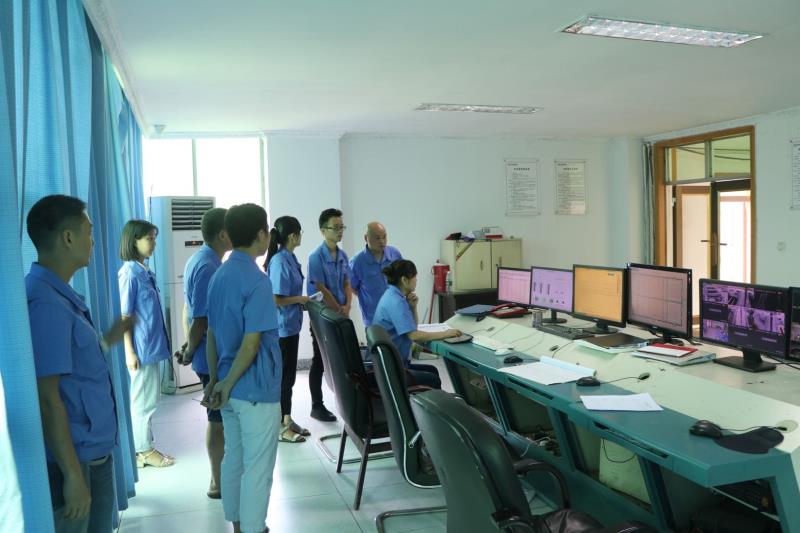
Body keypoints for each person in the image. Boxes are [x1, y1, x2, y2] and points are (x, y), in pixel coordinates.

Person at [25, 195, 132, 532]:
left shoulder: (59, 297)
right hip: (75, 461)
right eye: (89, 232)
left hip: (91, 452)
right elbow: (46, 396)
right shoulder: (47, 303)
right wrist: (72, 476)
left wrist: (106, 340)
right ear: (68, 237)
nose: (93, 241)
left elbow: (71, 365)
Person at [205, 203, 282, 533]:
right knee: (257, 468)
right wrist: (226, 382)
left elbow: (211, 334)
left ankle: (238, 526)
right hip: (254, 389)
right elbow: (251, 345)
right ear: (262, 234)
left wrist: (216, 380)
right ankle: (253, 529)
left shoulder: (219, 276)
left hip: (229, 387)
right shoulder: (258, 281)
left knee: (234, 458)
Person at [175, 207, 231, 498]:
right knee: (217, 420)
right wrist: (190, 349)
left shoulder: (202, 259)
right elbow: (200, 318)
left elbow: (189, 310)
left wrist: (188, 346)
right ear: (222, 234)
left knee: (218, 417)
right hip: (211, 357)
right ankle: (217, 482)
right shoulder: (208, 266)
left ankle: (220, 477)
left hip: (208, 352)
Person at [118, 219, 173, 468]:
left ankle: (145, 446)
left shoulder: (145, 272)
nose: (154, 243)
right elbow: (125, 316)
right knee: (143, 402)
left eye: (154, 238)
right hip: (140, 349)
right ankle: (142, 451)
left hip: (151, 346)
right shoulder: (129, 273)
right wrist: (129, 352)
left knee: (149, 401)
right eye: (149, 238)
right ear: (134, 241)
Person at [373, 260, 461, 389]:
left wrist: (413, 307)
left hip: (391, 364)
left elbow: (412, 329)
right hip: (393, 370)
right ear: (404, 280)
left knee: (432, 371)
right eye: (414, 276)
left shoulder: (393, 295)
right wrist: (445, 334)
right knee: (433, 379)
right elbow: (414, 336)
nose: (416, 280)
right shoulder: (396, 302)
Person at [264, 216, 312, 443]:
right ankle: (280, 426)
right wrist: (300, 299)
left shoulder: (290, 258)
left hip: (291, 326)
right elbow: (275, 299)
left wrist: (300, 302)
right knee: (283, 378)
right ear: (293, 236)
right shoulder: (280, 261)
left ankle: (287, 418)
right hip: (282, 329)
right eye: (300, 233)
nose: (301, 236)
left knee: (289, 377)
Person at [306, 208, 352, 422]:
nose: (340, 231)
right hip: (323, 317)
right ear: (323, 230)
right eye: (336, 227)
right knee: (320, 360)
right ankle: (317, 406)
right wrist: (338, 309)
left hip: (341, 315)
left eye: (342, 227)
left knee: (341, 360)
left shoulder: (343, 256)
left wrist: (347, 306)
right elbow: (321, 288)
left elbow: (347, 282)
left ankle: (346, 402)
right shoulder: (316, 257)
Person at [349, 221, 402, 327]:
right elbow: (351, 287)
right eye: (377, 238)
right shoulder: (357, 262)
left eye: (384, 237)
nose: (382, 241)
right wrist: (368, 297)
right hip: (373, 320)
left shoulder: (394, 254)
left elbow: (403, 279)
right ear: (366, 238)